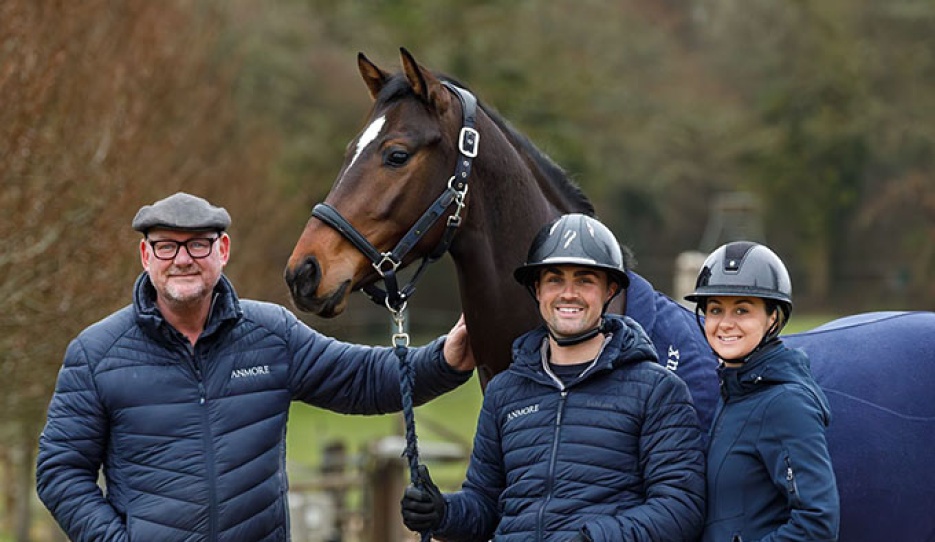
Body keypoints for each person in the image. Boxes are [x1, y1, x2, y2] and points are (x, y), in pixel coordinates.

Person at [35, 191, 476, 542]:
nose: (182, 259)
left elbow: (362, 379)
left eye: (198, 245)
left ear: (222, 249)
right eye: (166, 246)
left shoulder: (270, 334)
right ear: (146, 255)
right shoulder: (96, 353)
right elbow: (60, 470)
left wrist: (446, 358)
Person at [400, 213, 706, 541]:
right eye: (555, 279)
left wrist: (593, 538)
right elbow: (485, 504)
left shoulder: (658, 390)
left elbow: (679, 507)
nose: (568, 294)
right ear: (537, 290)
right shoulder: (505, 391)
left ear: (610, 290)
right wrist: (443, 513)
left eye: (585, 280)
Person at [684, 241, 839, 541]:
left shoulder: (786, 403)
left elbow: (818, 524)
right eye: (715, 309)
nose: (725, 324)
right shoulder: (737, 389)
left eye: (742, 310)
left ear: (772, 318)